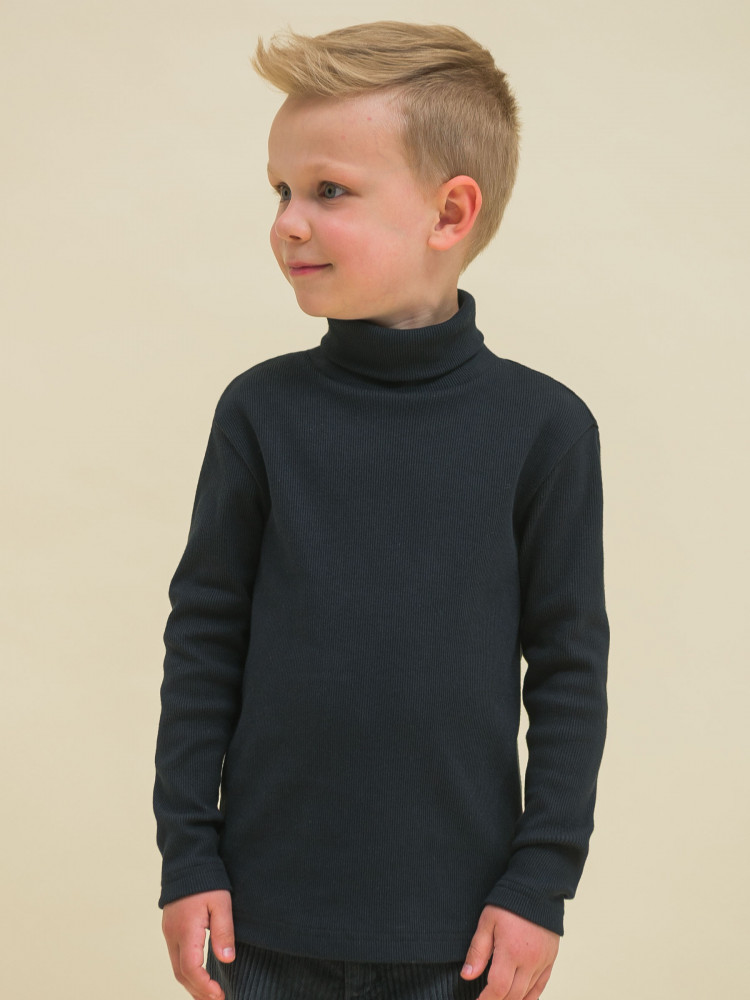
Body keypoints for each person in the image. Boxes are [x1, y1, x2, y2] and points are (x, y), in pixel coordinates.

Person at [154, 20, 609, 1000]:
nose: (287, 222)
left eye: (328, 191)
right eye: (279, 189)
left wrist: (541, 884)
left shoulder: (546, 430)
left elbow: (569, 671)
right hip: (259, 927)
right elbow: (204, 638)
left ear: (450, 213)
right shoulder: (259, 413)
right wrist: (187, 857)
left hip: (460, 938)